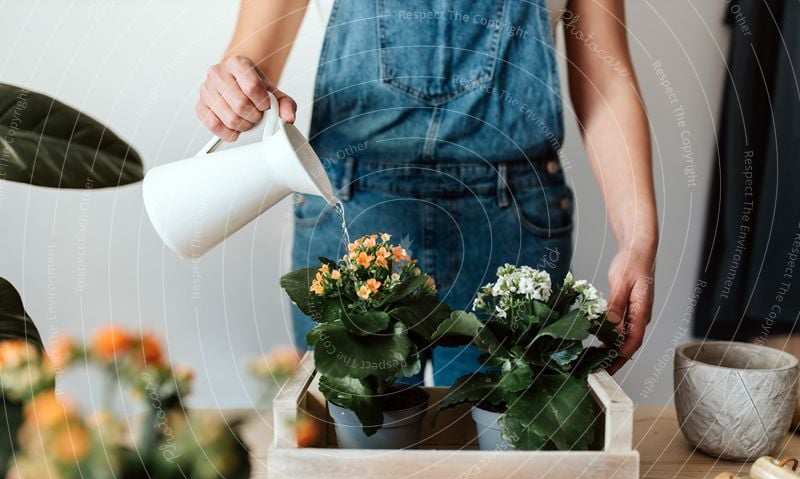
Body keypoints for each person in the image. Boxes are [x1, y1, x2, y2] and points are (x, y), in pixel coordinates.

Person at [196, 0, 658, 383]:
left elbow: (607, 83)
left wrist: (638, 237)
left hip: (514, 225)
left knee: (506, 469)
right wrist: (233, 89)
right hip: (354, 215)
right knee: (353, 465)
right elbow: (252, 56)